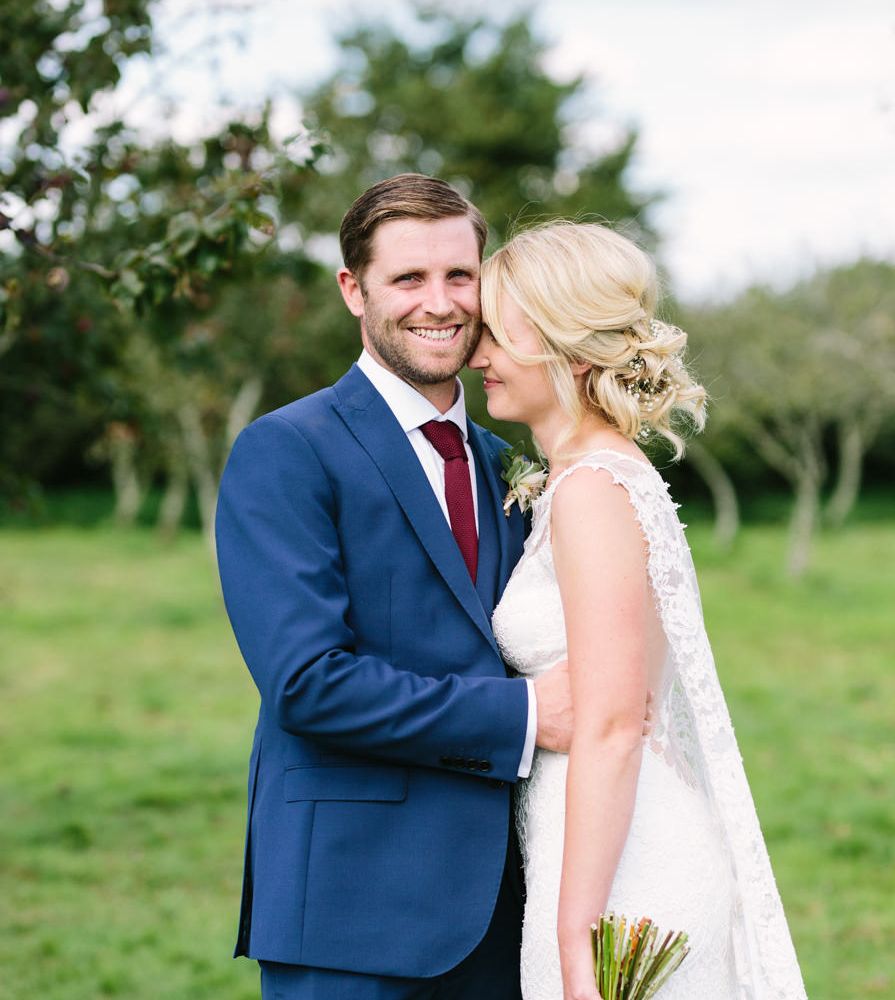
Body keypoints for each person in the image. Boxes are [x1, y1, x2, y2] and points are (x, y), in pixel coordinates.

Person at [215, 174, 576, 1000]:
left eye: (460, 277)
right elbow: (308, 685)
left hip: (508, 906)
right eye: (408, 279)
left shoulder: (505, 462)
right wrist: (525, 714)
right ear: (354, 289)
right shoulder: (287, 451)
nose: (440, 303)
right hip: (352, 908)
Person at [471, 221, 809, 999]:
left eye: (497, 334)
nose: (478, 355)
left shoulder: (594, 490)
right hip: (598, 850)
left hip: (623, 883)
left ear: (566, 344)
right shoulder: (584, 481)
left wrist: (574, 930)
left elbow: (617, 723)